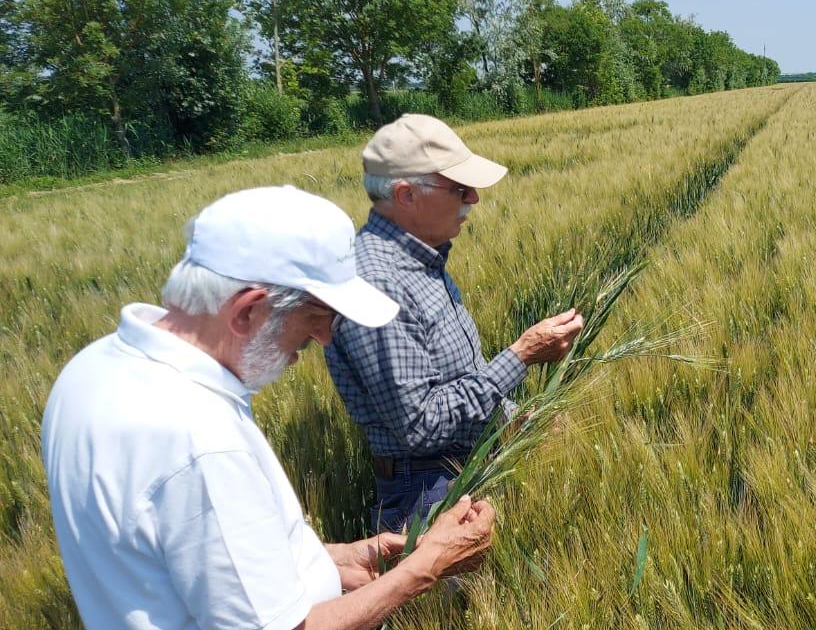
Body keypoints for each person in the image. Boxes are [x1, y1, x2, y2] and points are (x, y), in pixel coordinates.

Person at [41, 185, 497, 630]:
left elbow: (180, 558)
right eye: (316, 317)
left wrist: (326, 560)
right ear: (246, 312)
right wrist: (426, 565)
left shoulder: (93, 369)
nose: (324, 338)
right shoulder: (201, 440)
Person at [326, 113, 584, 532]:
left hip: (465, 466)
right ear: (407, 195)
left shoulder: (422, 260)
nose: (474, 199)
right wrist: (521, 357)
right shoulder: (377, 284)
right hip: (428, 491)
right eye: (460, 189)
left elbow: (458, 377)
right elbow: (420, 426)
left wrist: (515, 418)